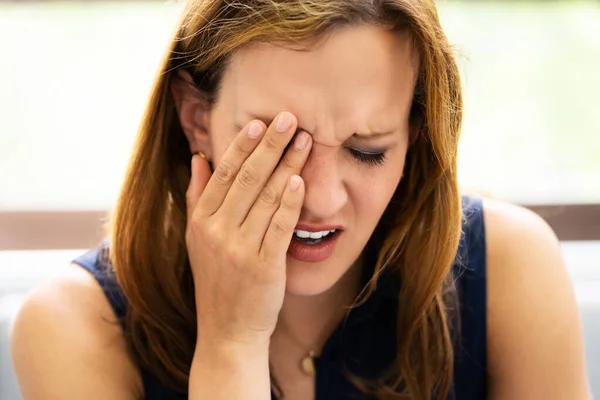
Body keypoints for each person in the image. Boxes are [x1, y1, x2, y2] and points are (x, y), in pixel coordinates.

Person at [9, 0, 590, 399]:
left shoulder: (513, 271)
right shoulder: (72, 326)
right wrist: (231, 344)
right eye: (278, 145)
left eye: (367, 151)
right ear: (196, 120)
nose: (317, 198)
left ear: (414, 137)